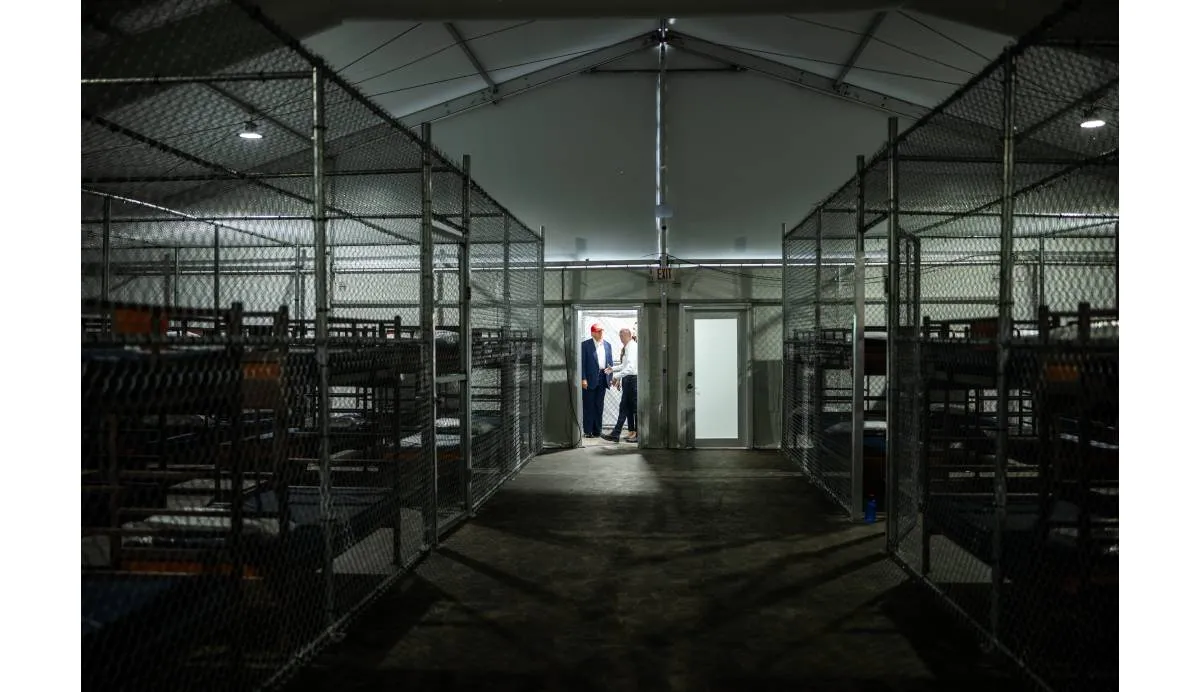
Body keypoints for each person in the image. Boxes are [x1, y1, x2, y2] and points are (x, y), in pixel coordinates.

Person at [602, 328, 638, 444]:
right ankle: (616, 434)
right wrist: (613, 369)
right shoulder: (628, 347)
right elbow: (624, 365)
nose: (620, 338)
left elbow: (631, 368)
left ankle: (637, 434)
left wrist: (616, 376)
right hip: (629, 380)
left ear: (627, 335)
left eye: (621, 336)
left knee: (635, 409)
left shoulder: (632, 347)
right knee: (624, 408)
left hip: (632, 380)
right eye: (620, 336)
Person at [580, 323, 613, 438]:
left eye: (601, 331)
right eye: (598, 331)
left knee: (599, 405)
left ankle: (597, 430)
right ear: (592, 333)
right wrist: (583, 378)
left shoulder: (607, 345)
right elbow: (582, 364)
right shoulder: (585, 345)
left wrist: (611, 378)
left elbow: (610, 363)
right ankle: (588, 431)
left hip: (603, 377)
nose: (601, 333)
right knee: (588, 405)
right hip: (589, 379)